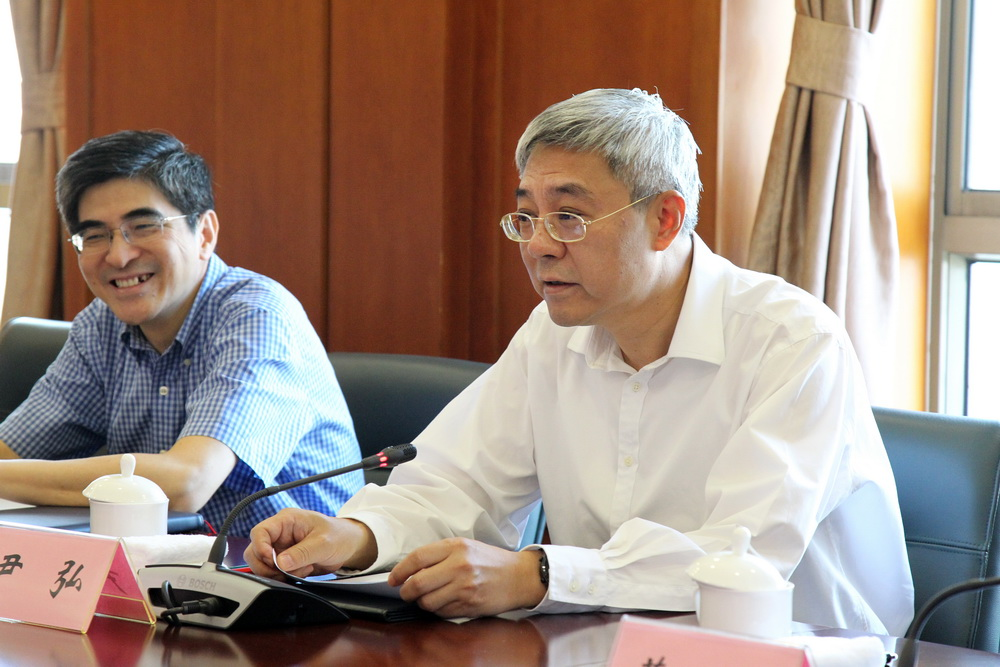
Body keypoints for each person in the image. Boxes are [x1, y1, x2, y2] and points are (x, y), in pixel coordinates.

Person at [245, 88, 914, 635]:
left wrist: (537, 574)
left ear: (665, 219)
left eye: (568, 217)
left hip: (806, 649)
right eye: (526, 217)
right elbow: (456, 485)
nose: (538, 246)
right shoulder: (552, 335)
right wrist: (354, 534)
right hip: (609, 646)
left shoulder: (792, 342)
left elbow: (736, 561)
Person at [0, 130, 363, 536]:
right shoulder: (100, 326)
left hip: (299, 568)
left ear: (204, 233)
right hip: (167, 562)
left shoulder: (257, 315)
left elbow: (186, 483)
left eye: (143, 226)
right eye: (95, 236)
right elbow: (11, 453)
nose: (119, 255)